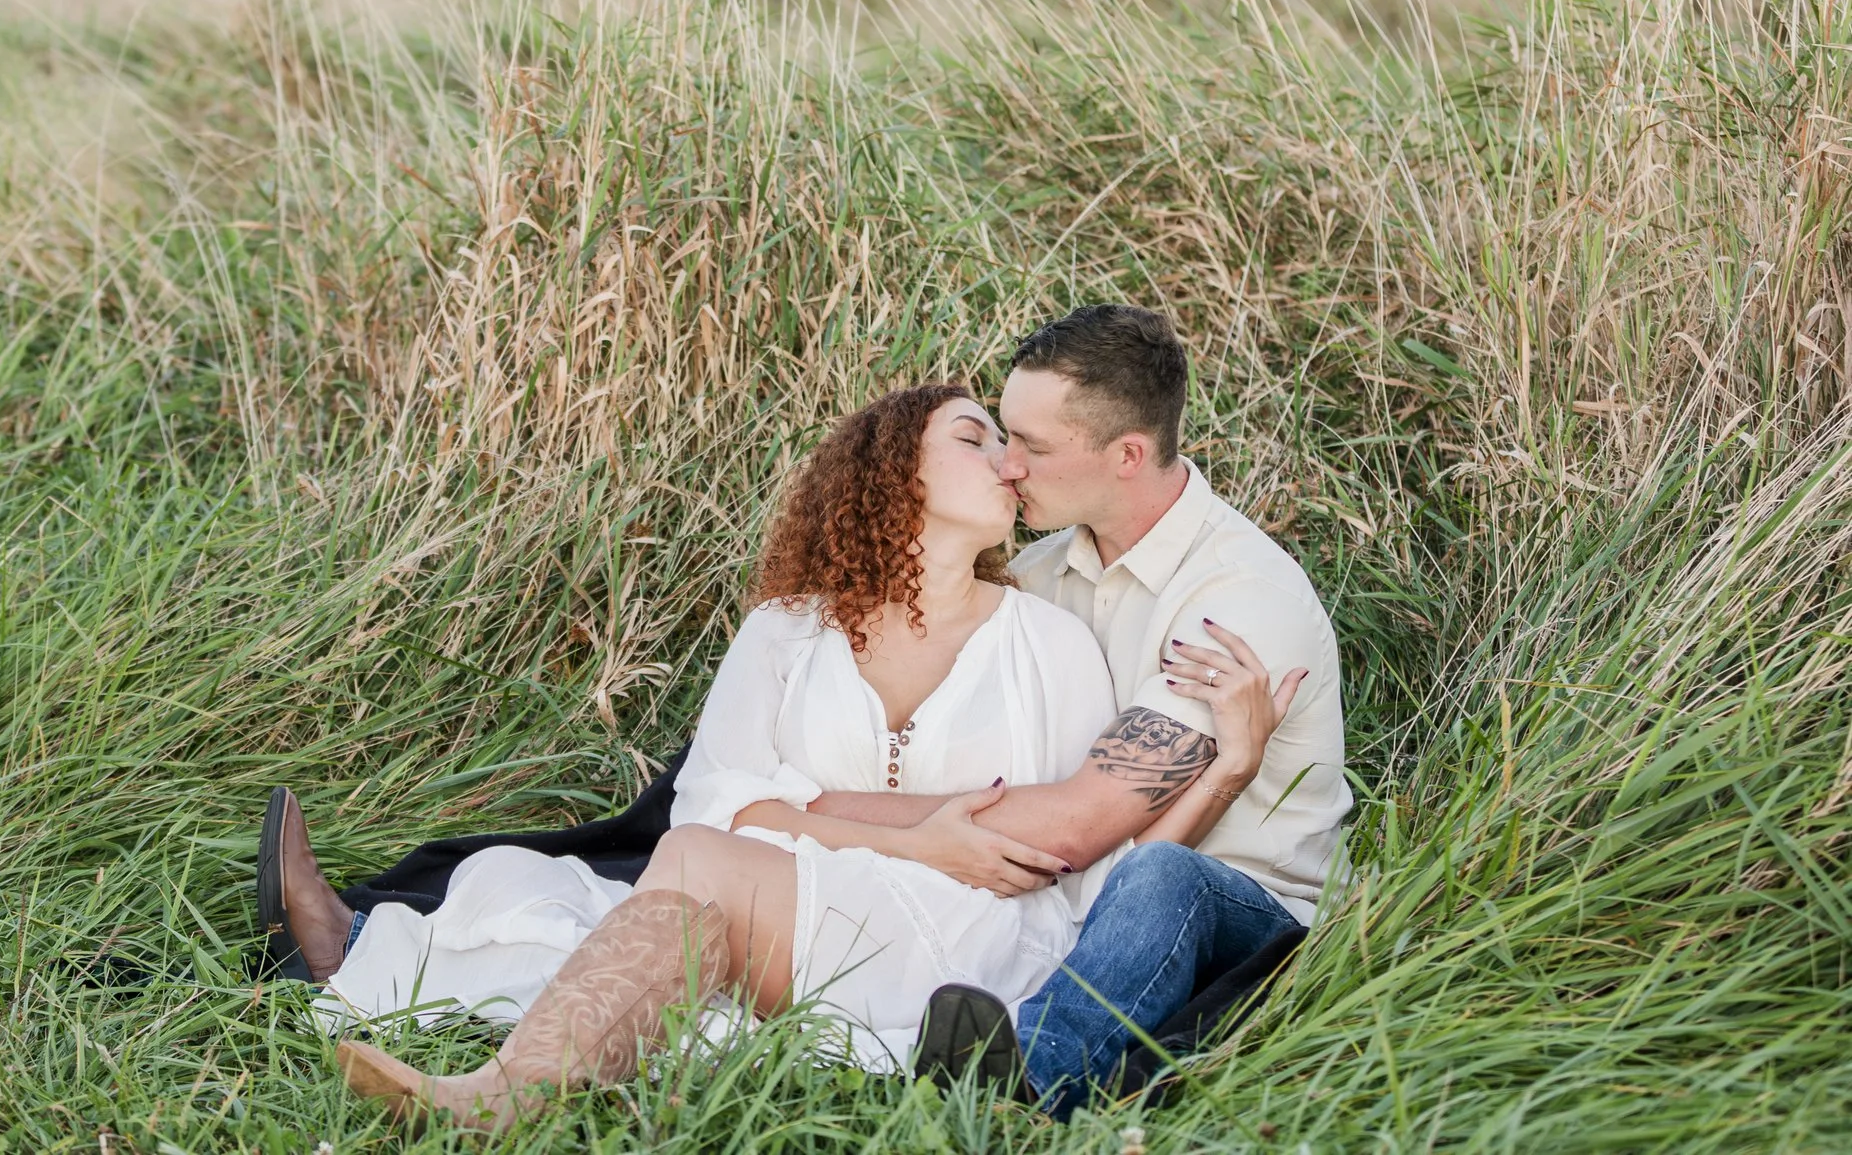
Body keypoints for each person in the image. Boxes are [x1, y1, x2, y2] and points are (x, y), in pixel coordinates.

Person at [283, 382, 1279, 1131]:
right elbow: (708, 801)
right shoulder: (784, 632)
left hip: (969, 937)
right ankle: (385, 968)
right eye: (974, 437)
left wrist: (1224, 772)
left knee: (673, 891)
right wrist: (918, 836)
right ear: (894, 472)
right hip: (796, 899)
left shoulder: (1046, 642)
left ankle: (497, 1091)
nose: (1008, 463)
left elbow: (1084, 856)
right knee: (524, 882)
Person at [805, 305, 1352, 1113]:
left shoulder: (1237, 600)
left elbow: (1079, 823)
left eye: (1033, 445)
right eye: (1002, 434)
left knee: (1164, 878)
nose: (1007, 464)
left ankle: (1024, 1089)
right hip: (1065, 889)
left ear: (1127, 454)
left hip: (1242, 907)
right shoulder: (1039, 568)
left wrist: (818, 809)